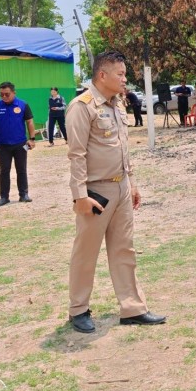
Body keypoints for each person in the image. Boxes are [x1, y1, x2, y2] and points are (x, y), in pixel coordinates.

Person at [66, 50, 166, 334]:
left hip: (121, 187)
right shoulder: (82, 106)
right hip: (95, 191)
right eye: (120, 74)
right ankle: (78, 309)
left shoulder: (117, 104)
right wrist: (80, 196)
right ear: (102, 75)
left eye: (125, 74)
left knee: (124, 248)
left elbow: (123, 148)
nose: (125, 79)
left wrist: (131, 183)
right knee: (86, 253)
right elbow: (76, 154)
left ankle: (133, 308)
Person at [0, 81, 35, 206]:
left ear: (14, 92)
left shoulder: (23, 104)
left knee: (21, 169)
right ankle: (4, 197)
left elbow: (30, 122)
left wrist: (32, 139)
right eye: (1, 94)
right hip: (2, 145)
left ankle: (23, 194)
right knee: (4, 171)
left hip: (21, 144)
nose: (4, 97)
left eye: (7, 94)